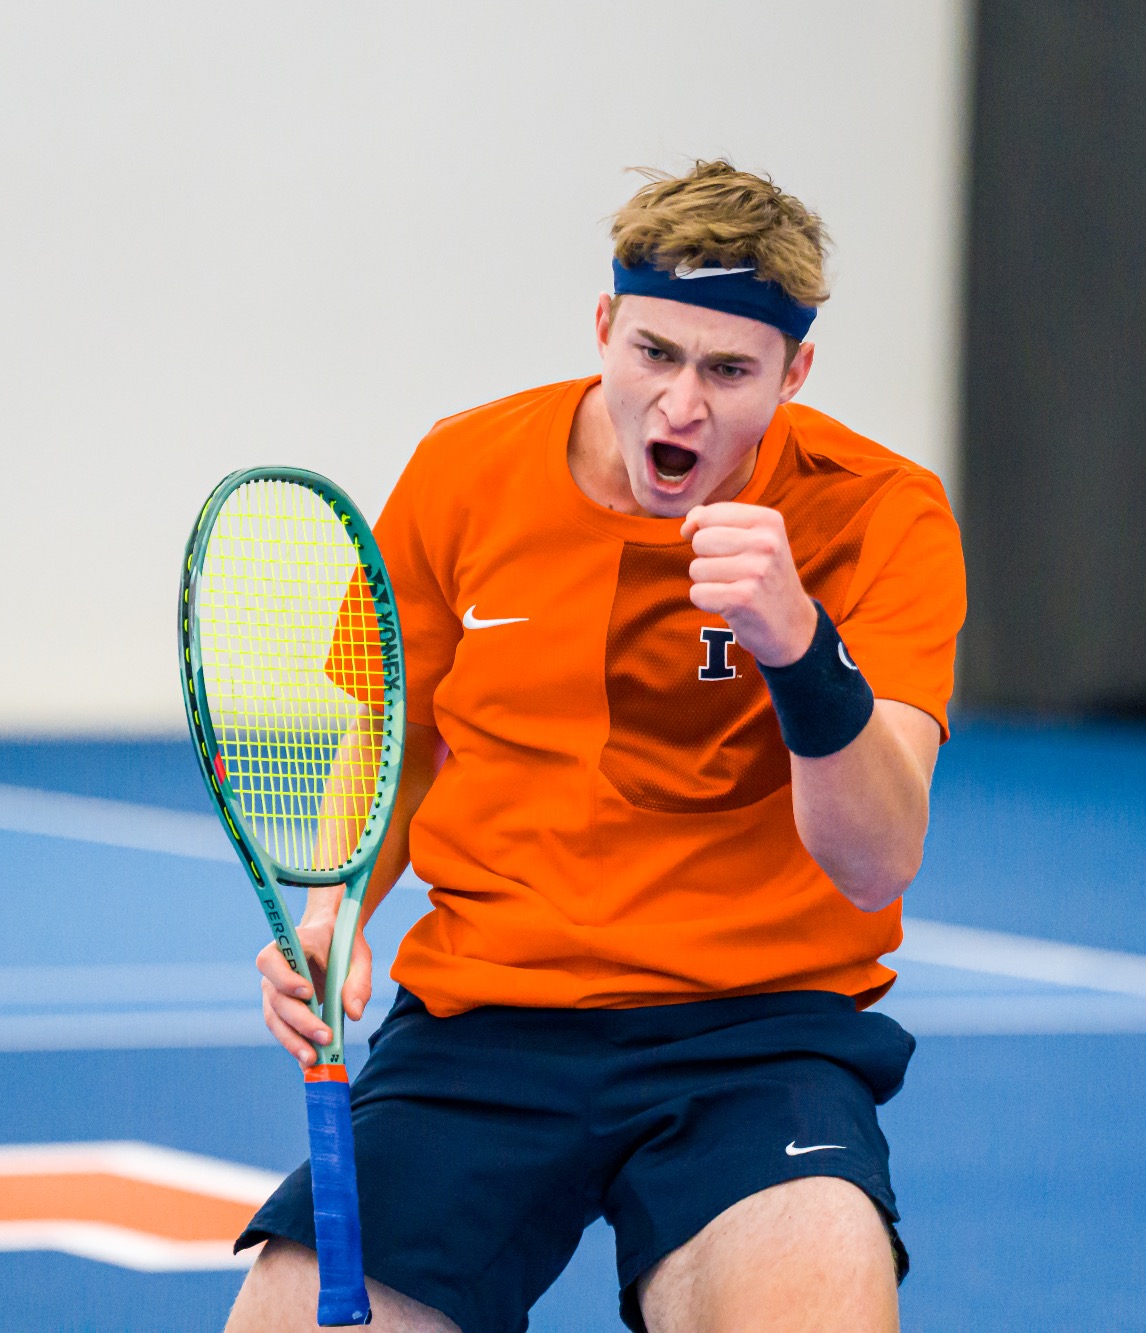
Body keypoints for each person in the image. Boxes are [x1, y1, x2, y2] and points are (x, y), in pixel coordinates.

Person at [227, 160, 967, 1333]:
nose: (681, 406)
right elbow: (397, 732)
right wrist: (335, 908)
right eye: (654, 354)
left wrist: (798, 647)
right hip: (485, 1022)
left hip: (753, 1030)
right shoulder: (466, 470)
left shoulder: (879, 513)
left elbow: (876, 859)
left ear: (794, 371)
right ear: (603, 327)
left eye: (729, 370)